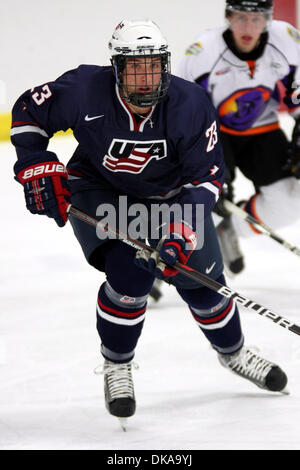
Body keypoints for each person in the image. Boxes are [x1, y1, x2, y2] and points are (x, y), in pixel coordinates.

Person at [11, 19, 287, 427]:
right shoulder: (84, 89)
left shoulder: (190, 104)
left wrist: (179, 232)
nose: (146, 78)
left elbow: (207, 179)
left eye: (154, 66)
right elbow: (28, 111)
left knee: (204, 287)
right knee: (130, 275)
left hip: (173, 199)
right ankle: (117, 364)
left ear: (165, 65)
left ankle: (233, 353)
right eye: (135, 67)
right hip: (100, 190)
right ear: (117, 67)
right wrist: (34, 163)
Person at [178, 0, 300, 276]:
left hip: (262, 130)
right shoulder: (203, 51)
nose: (248, 27)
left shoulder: (287, 40)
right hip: (212, 133)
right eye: (241, 18)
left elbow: (298, 95)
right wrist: (201, 165)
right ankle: (170, 254)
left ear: (268, 20)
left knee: (290, 201)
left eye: (256, 19)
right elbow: (183, 114)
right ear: (228, 17)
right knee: (197, 198)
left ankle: (230, 227)